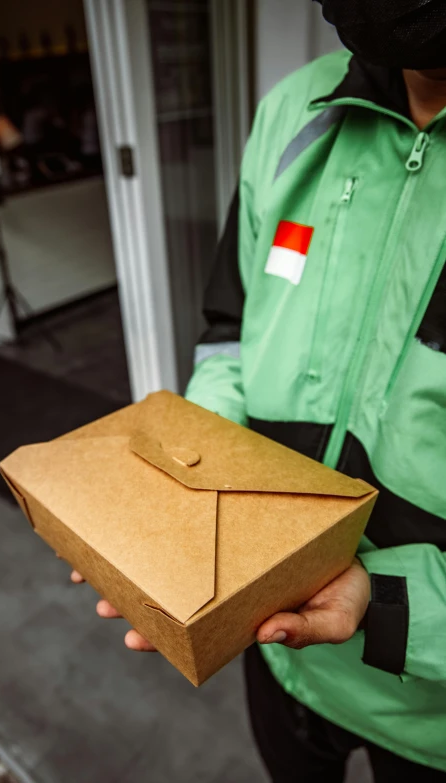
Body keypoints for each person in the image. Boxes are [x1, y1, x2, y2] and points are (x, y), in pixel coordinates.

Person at [72, 1, 446, 779]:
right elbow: (228, 330)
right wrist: (184, 496)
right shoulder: (293, 111)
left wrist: (385, 605)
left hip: (429, 708)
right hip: (274, 649)